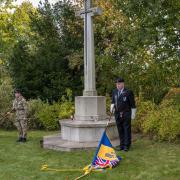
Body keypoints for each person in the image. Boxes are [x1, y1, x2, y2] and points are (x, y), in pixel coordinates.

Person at [110, 78, 136, 151]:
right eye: (116, 84)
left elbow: (133, 104)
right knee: (120, 129)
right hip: (117, 114)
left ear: (123, 84)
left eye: (119, 84)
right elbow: (113, 101)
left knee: (126, 129)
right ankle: (121, 145)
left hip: (126, 113)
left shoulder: (128, 92)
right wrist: (112, 106)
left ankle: (126, 145)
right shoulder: (114, 91)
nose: (117, 85)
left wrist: (133, 114)